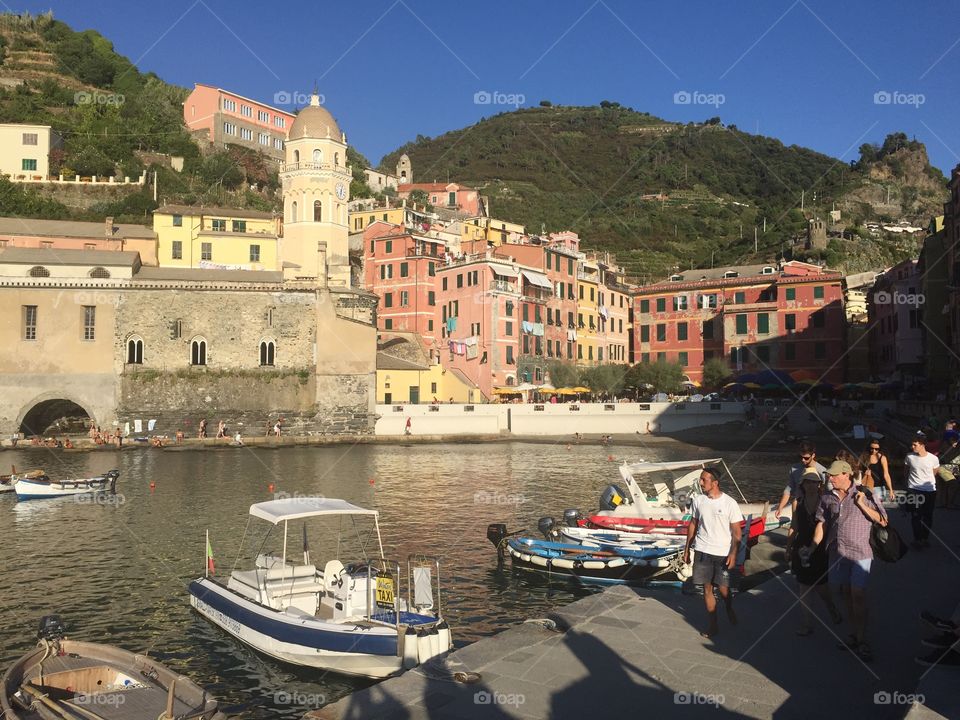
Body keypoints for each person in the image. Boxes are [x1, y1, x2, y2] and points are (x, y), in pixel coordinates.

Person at [805, 459, 887, 661]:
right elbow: (822, 524)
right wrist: (813, 547)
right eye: (829, 475)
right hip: (837, 554)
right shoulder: (827, 498)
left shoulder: (866, 494)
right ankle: (854, 634)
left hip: (861, 553)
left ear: (846, 474)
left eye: (834, 475)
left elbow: (884, 520)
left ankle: (862, 639)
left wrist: (861, 504)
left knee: (857, 594)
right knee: (846, 596)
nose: (830, 478)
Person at [683, 467, 743, 639]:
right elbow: (693, 524)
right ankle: (713, 624)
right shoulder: (698, 501)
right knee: (707, 589)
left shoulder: (729, 503)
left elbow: (737, 532)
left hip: (722, 552)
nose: (700, 483)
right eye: (700, 479)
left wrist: (733, 553)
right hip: (702, 550)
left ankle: (729, 607)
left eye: (704, 480)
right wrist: (687, 548)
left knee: (724, 590)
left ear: (715, 483)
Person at [791, 468, 842, 635]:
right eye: (808, 481)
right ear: (803, 484)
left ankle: (831, 607)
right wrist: (787, 547)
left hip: (820, 548)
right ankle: (807, 624)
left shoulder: (825, 501)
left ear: (820, 484)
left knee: (821, 587)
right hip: (801, 547)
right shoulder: (797, 502)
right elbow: (794, 526)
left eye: (815, 481)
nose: (812, 485)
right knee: (803, 586)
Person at [776, 442, 826, 556]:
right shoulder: (794, 469)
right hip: (799, 503)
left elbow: (827, 492)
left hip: (816, 506)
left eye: (806, 458)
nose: (803, 460)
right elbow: (789, 489)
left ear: (813, 455)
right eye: (800, 457)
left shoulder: (822, 471)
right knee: (796, 526)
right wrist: (780, 507)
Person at [904, 433, 939, 549]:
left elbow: (934, 473)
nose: (912, 447)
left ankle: (925, 538)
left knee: (928, 516)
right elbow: (906, 471)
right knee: (915, 515)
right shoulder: (909, 457)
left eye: (915, 445)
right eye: (912, 445)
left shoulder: (933, 459)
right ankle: (917, 539)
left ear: (922, 445)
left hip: (929, 491)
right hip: (913, 489)